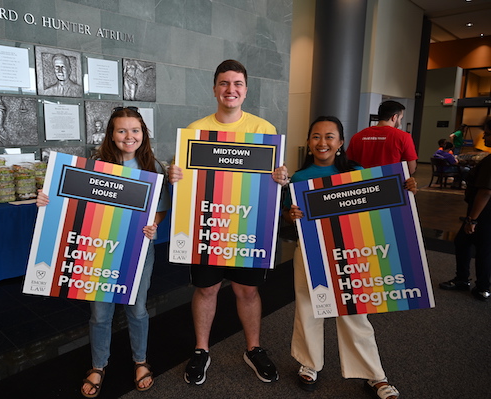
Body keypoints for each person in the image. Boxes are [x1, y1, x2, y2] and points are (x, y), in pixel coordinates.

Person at [169, 59, 289, 385]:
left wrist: (280, 177)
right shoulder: (196, 131)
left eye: (237, 84)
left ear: (246, 90)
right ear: (214, 89)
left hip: (247, 228)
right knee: (206, 289)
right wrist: (174, 173)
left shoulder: (263, 130)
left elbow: (272, 180)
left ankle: (253, 348)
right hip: (207, 227)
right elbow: (184, 180)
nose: (230, 90)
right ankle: (201, 350)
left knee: (247, 290)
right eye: (224, 83)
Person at [37, 107, 170, 397]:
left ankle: (140, 360)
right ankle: (98, 365)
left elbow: (160, 210)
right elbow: (71, 201)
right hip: (99, 249)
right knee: (99, 313)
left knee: (137, 308)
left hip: (137, 249)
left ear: (143, 134)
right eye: (121, 130)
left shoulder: (153, 168)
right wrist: (48, 199)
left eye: (135, 130)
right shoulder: (96, 164)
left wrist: (153, 225)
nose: (128, 136)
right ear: (111, 134)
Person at [284, 116, 416, 399]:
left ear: (341, 142)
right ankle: (309, 364)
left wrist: (405, 189)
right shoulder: (298, 178)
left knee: (354, 312)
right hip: (310, 252)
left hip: (350, 251)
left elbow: (379, 206)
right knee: (308, 308)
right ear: (308, 143)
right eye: (316, 136)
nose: (323, 142)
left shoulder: (357, 172)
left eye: (330, 136)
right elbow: (288, 214)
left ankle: (374, 375)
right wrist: (292, 215)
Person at [440, 117, 491, 301]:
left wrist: (472, 220)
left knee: (481, 249)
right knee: (463, 242)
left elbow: (485, 192)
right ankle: (466, 280)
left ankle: (482, 287)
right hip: (482, 213)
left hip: (483, 213)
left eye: (488, 133)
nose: (484, 136)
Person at [346, 100, 418, 175]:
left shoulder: (357, 136)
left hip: (364, 183)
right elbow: (411, 168)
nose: (400, 122)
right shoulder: (404, 137)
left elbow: (348, 163)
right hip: (390, 182)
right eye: (400, 118)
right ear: (394, 117)